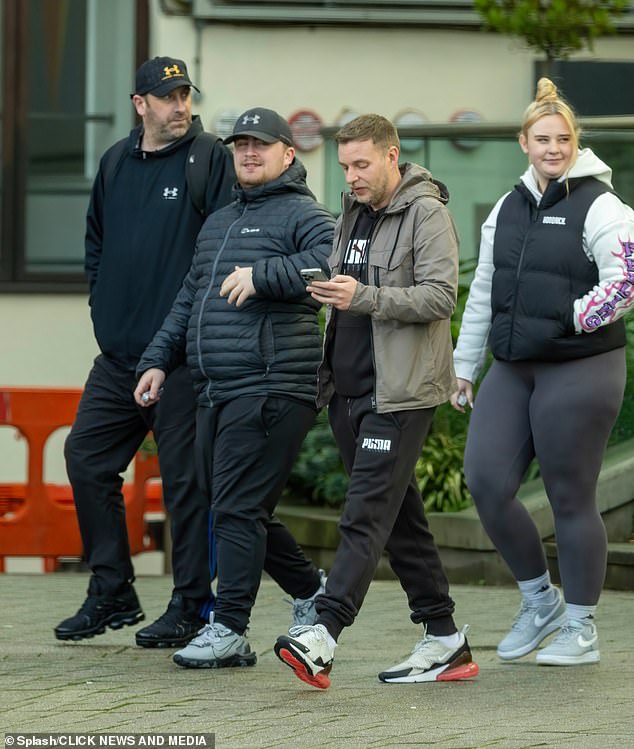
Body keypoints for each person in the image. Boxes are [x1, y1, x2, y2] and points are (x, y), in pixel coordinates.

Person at [55, 60, 324, 649]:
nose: (178, 105)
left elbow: (271, 253)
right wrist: (106, 312)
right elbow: (100, 244)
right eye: (166, 96)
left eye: (184, 95)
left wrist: (237, 301)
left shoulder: (211, 161)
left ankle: (196, 606)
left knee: (192, 487)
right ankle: (111, 588)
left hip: (195, 362)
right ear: (139, 103)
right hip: (127, 354)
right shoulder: (115, 164)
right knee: (86, 457)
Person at [273, 114, 479, 689]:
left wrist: (362, 295)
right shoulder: (352, 210)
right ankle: (445, 639)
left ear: (392, 156)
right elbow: (352, 286)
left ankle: (323, 632)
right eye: (345, 166)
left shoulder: (426, 212)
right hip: (347, 390)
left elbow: (440, 296)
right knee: (399, 518)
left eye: (361, 164)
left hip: (401, 392)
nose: (352, 177)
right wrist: (331, 289)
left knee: (365, 512)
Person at [134, 107, 335, 669]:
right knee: (234, 504)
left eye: (261, 145)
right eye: (241, 145)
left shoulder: (303, 213)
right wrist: (156, 360)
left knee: (238, 507)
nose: (249, 154)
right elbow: (189, 299)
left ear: (288, 154)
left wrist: (262, 276)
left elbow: (331, 264)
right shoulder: (220, 221)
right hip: (215, 387)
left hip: (273, 384)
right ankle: (310, 591)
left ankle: (228, 628)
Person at [450, 78, 634, 667]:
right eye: (542, 139)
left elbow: (627, 279)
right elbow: (484, 291)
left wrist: (573, 316)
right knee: (484, 479)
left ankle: (581, 627)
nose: (553, 148)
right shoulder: (507, 207)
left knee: (568, 495)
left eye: (563, 139)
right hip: (515, 366)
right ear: (523, 142)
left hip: (580, 366)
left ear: (575, 143)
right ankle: (539, 601)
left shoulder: (600, 204)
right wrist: (463, 366)